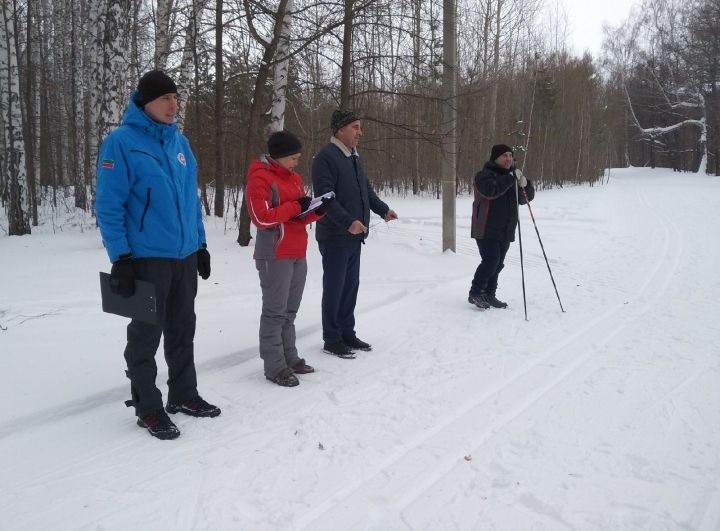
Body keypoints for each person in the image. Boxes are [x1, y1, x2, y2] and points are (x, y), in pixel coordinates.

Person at [96, 70, 220, 440]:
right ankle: (147, 406)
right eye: (165, 98)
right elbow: (108, 204)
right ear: (145, 102)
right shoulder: (121, 143)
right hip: (145, 258)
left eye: (176, 98)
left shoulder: (180, 144)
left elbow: (190, 201)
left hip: (182, 257)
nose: (173, 104)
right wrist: (121, 257)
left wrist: (200, 245)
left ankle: (183, 395)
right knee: (145, 336)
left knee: (183, 329)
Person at [246, 130, 332, 387]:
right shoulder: (260, 178)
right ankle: (274, 366)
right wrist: (297, 206)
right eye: (293, 158)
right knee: (275, 312)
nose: (297, 162)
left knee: (290, 312)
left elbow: (298, 216)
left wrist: (317, 211)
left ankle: (290, 358)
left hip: (297, 251)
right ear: (279, 156)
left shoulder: (294, 178)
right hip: (274, 253)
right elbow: (261, 217)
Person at [311, 109, 398, 358]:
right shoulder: (325, 158)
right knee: (335, 287)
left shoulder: (353, 156)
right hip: (335, 236)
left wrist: (383, 210)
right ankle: (332, 338)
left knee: (350, 287)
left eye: (360, 127)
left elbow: (366, 191)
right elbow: (326, 199)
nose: (360, 132)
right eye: (355, 127)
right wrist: (348, 222)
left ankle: (347, 332)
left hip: (355, 235)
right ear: (340, 130)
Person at [469, 144, 535, 309]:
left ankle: (489, 294)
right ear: (495, 158)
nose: (508, 159)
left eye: (510, 156)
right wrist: (511, 177)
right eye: (504, 156)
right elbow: (491, 191)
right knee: (491, 261)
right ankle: (476, 292)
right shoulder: (483, 176)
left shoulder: (511, 177)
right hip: (485, 227)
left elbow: (525, 198)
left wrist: (525, 184)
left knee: (498, 264)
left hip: (506, 228)